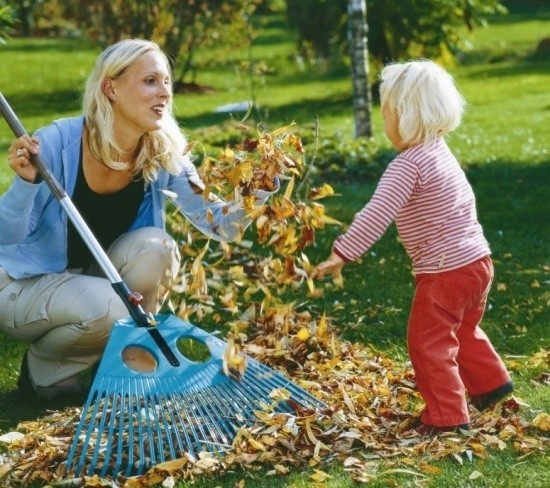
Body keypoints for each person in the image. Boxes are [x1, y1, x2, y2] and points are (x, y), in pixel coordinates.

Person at [0, 39, 277, 402]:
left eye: (167, 82)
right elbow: (6, 236)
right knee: (112, 306)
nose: (164, 92)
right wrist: (24, 184)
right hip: (21, 283)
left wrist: (260, 188)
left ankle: (125, 363)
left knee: (158, 248)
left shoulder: (163, 149)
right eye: (150, 81)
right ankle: (45, 371)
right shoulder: (55, 144)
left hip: (90, 283)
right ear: (110, 88)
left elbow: (218, 222)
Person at [312, 59, 513, 435]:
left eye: (385, 112)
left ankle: (447, 416)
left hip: (445, 272)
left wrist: (343, 251)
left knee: (427, 341)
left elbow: (378, 212)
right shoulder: (440, 151)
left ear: (403, 115)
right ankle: (492, 383)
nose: (384, 121)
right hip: (478, 263)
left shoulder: (407, 165)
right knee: (463, 329)